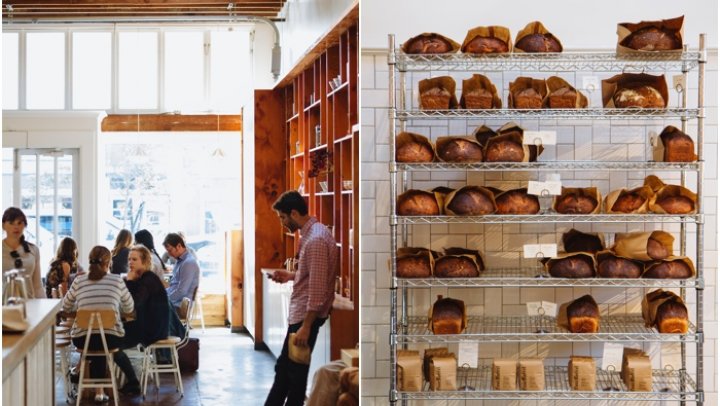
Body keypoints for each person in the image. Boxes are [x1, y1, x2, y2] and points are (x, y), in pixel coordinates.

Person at [265, 191, 337, 406]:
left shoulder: (315, 240)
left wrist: (306, 326)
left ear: (294, 213)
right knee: (291, 373)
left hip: (304, 319)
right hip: (304, 318)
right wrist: (291, 276)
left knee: (291, 375)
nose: (282, 222)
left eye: (282, 217)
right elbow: (313, 276)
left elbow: (317, 289)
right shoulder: (316, 233)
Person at [61, 246, 137, 402]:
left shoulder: (79, 280)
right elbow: (130, 307)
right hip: (111, 338)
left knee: (94, 337)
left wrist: (83, 306)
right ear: (108, 262)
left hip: (82, 338)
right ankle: (99, 391)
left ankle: (93, 386)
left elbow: (66, 306)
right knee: (103, 339)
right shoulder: (117, 280)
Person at [2, 207, 44, 298]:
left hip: (29, 304)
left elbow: (38, 286)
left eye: (20, 223)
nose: (16, 227)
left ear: (25, 225)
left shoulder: (33, 250)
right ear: (3, 225)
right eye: (11, 223)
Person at [163, 233, 200, 312]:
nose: (169, 254)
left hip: (180, 306)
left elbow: (181, 291)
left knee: (148, 309)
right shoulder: (180, 261)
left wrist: (164, 299)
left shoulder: (188, 263)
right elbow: (174, 286)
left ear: (179, 246)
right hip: (176, 302)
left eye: (170, 250)